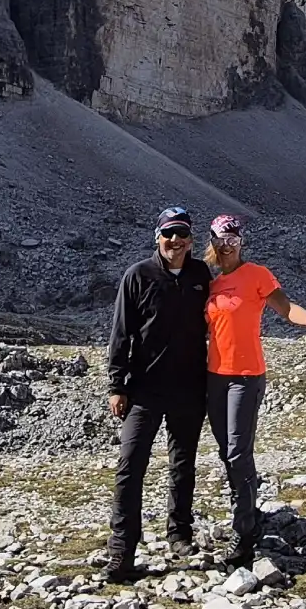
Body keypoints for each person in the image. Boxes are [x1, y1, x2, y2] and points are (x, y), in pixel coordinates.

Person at [203, 213, 306, 569]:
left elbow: (286, 308)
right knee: (228, 452)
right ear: (211, 242)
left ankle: (244, 533)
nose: (227, 246)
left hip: (246, 376)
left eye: (233, 240)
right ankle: (247, 508)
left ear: (241, 242)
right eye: (221, 240)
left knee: (239, 451)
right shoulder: (211, 285)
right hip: (214, 377)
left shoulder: (257, 275)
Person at [103, 205, 212, 583]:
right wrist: (117, 385)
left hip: (189, 388)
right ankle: (122, 550)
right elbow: (121, 333)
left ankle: (179, 533)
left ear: (191, 240)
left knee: (183, 464)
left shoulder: (201, 275)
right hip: (144, 389)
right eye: (169, 234)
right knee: (130, 467)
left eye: (182, 234)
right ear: (157, 237)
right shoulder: (138, 275)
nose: (175, 241)